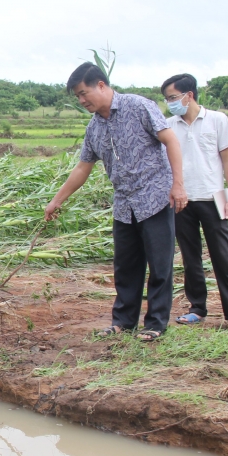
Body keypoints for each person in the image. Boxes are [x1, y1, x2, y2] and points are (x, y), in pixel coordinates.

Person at [44, 62, 188, 341]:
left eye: (84, 93)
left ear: (101, 85)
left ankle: (156, 323)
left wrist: (178, 185)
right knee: (126, 267)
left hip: (156, 197)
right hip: (124, 205)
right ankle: (123, 321)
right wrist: (56, 201)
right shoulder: (94, 128)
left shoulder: (138, 106)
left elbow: (171, 141)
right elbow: (82, 167)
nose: (82, 100)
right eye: (77, 97)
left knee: (160, 266)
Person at [161, 74, 228, 329]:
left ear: (188, 95)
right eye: (167, 99)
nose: (170, 103)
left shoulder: (217, 120)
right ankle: (197, 308)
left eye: (172, 97)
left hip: (214, 197)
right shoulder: (168, 125)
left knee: (223, 257)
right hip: (182, 199)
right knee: (191, 258)